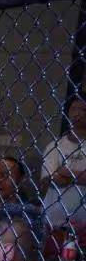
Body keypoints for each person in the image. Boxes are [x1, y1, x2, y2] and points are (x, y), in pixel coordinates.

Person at [41, 94, 86, 229]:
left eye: (83, 109)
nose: (77, 113)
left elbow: (58, 175)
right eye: (73, 109)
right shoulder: (54, 146)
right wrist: (79, 176)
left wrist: (65, 171)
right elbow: (49, 179)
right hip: (54, 221)